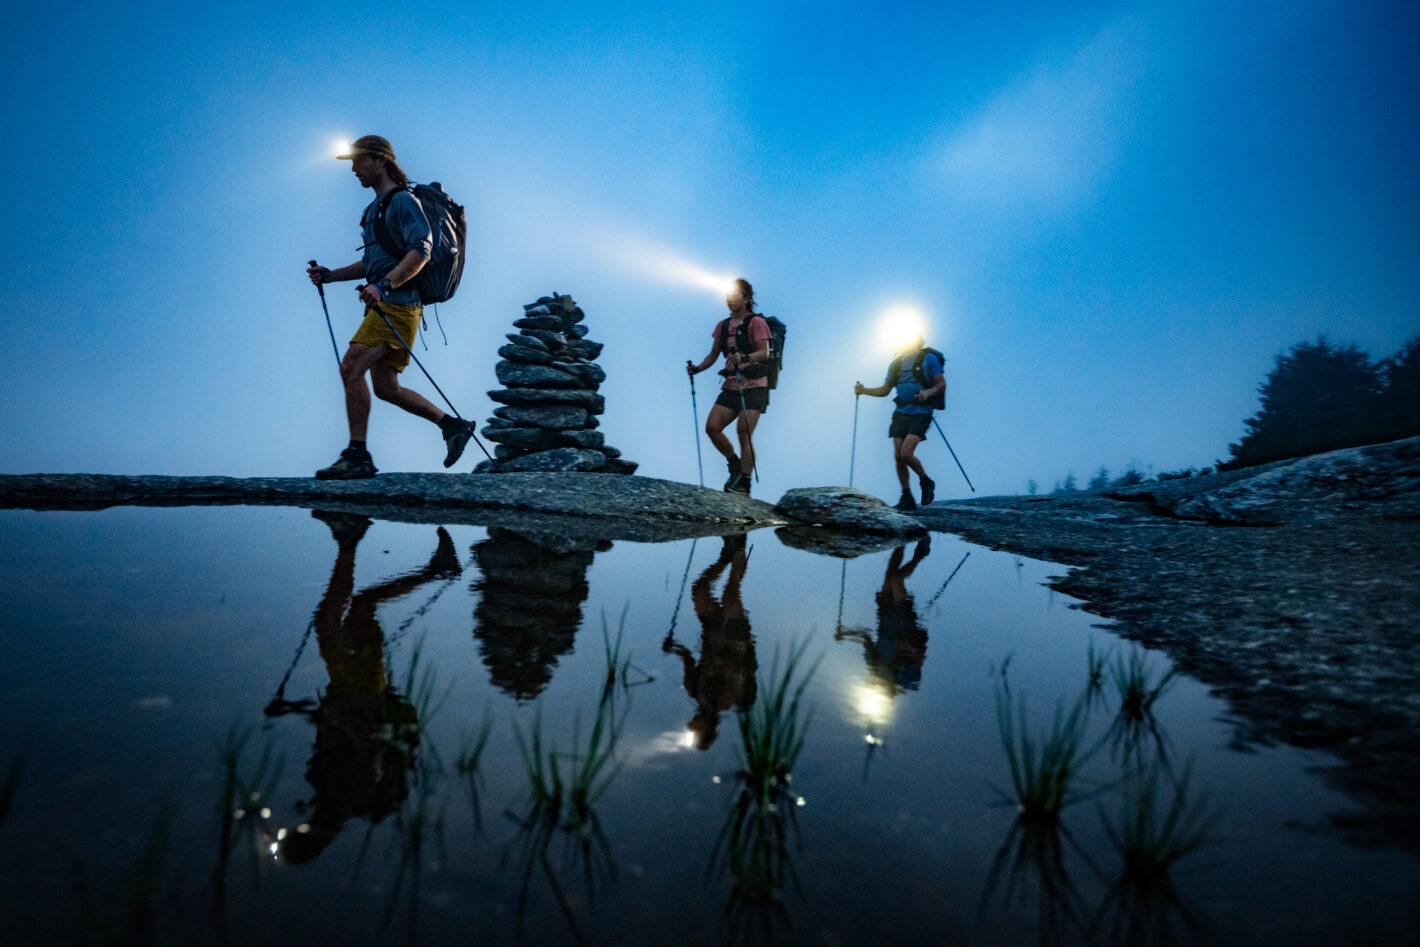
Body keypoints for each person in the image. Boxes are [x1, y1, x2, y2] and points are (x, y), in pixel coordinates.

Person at [305, 135, 471, 480]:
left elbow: (421, 250)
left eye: (358, 160)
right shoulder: (373, 210)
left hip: (398, 304)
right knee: (385, 388)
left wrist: (383, 286)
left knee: (350, 367)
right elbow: (372, 263)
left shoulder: (402, 201)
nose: (353, 169)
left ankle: (357, 456)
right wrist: (331, 275)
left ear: (380, 160)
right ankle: (453, 426)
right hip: (389, 305)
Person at [687, 278, 771, 496]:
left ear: (746, 298)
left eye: (734, 296)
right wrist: (698, 368)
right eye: (727, 297)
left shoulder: (756, 323)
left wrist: (744, 357)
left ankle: (744, 482)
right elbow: (714, 354)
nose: (730, 300)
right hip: (731, 384)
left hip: (754, 385)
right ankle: (734, 464)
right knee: (712, 428)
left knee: (743, 432)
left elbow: (764, 352)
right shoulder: (722, 326)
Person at [854, 335, 945, 510]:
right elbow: (885, 390)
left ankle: (926, 481)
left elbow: (941, 384)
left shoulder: (928, 359)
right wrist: (863, 391)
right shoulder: (895, 364)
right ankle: (907, 497)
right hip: (901, 411)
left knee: (906, 453)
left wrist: (928, 393)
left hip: (922, 411)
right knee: (898, 455)